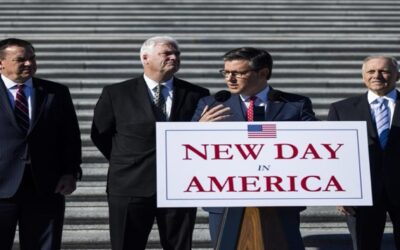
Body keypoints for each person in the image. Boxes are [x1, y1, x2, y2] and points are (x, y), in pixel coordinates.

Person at [91, 36, 209, 250]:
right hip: (130, 185)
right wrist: (128, 159)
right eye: (167, 53)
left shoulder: (197, 94)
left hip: (179, 186)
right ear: (145, 58)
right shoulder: (116, 93)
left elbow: (201, 139)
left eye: (177, 54)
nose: (174, 57)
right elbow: (100, 134)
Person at [192, 47, 317, 249]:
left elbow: (314, 145)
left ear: (263, 73)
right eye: (226, 72)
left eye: (238, 73)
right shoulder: (211, 104)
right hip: (224, 197)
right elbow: (189, 151)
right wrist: (198, 130)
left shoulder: (295, 104)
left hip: (280, 196)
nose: (230, 79)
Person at [0, 38, 82, 249]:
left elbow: (70, 137)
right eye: (21, 59)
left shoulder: (56, 92)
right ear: (1, 62)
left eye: (32, 58)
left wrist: (70, 172)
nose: (29, 63)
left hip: (45, 186)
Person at [328, 55, 400, 250]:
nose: (377, 75)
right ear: (363, 76)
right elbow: (335, 155)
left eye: (384, 71)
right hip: (361, 192)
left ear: (397, 75)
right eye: (371, 71)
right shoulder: (341, 109)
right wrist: (340, 191)